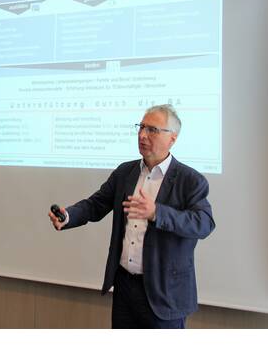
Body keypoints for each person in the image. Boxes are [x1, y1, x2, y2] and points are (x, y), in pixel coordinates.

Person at [48, 104, 215, 329]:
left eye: (152, 130)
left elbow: (204, 223)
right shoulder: (125, 172)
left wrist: (156, 212)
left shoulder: (190, 180)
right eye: (141, 127)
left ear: (172, 139)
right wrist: (68, 216)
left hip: (164, 293)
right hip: (125, 286)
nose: (142, 135)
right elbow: (96, 204)